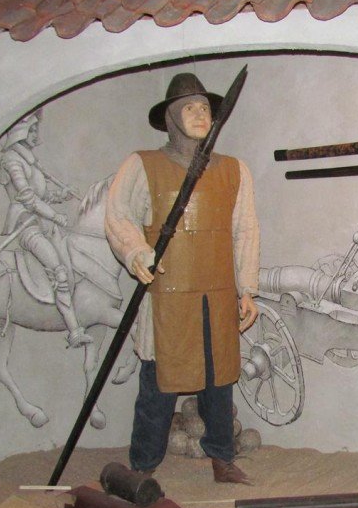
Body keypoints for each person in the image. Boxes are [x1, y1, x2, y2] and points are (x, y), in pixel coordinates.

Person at [105, 73, 260, 485]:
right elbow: (119, 215)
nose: (199, 114)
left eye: (205, 107)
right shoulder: (143, 165)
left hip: (217, 294)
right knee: (159, 385)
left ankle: (222, 458)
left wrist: (247, 289)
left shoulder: (234, 170)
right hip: (167, 296)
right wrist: (136, 252)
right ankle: (143, 466)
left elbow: (245, 230)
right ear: (171, 117)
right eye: (189, 107)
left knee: (218, 381)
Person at [0, 110, 92, 348]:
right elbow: (29, 199)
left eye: (35, 129)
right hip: (27, 224)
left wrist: (61, 195)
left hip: (44, 224)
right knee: (59, 271)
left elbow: (42, 195)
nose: (35, 134)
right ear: (19, 133)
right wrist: (55, 216)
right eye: (30, 130)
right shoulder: (11, 160)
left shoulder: (30, 160)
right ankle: (74, 331)